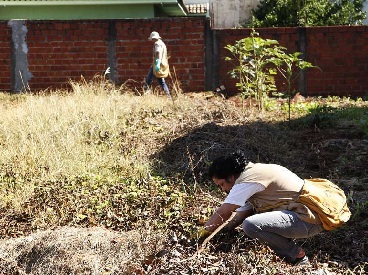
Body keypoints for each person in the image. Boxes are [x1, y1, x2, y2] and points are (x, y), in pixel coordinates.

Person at [196, 150, 325, 266]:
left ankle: (297, 256)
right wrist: (220, 231)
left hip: (309, 219)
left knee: (251, 225)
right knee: (250, 221)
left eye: (222, 184)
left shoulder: (246, 181)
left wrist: (202, 234)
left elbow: (223, 212)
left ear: (230, 176)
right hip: (309, 215)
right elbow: (240, 215)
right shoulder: (252, 173)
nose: (223, 189)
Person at [144, 31, 171, 98]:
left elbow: (158, 52)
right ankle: (168, 96)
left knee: (150, 79)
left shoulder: (157, 44)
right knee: (158, 80)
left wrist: (157, 63)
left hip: (157, 64)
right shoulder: (162, 43)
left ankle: (145, 92)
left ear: (154, 38)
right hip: (162, 64)